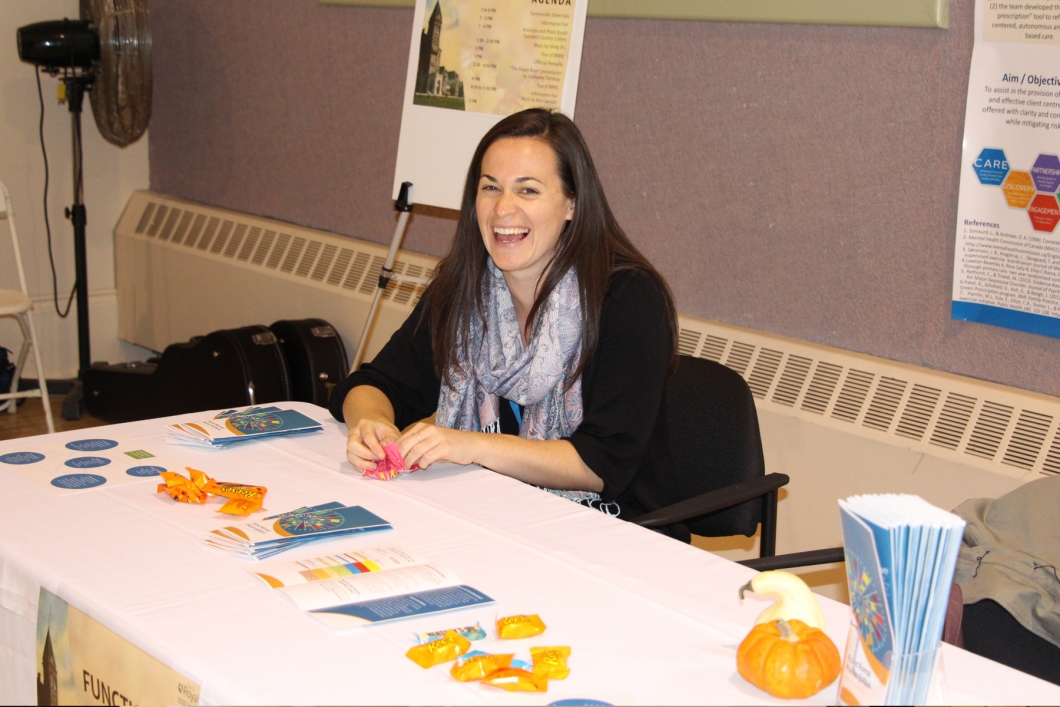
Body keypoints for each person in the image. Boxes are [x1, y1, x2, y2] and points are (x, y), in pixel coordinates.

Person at [329, 108, 678, 520]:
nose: (503, 210)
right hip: (499, 513)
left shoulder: (628, 298)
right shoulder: (464, 288)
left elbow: (601, 464)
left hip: (616, 529)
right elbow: (372, 384)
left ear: (572, 204)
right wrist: (372, 425)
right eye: (490, 188)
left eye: (527, 190)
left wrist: (469, 445)